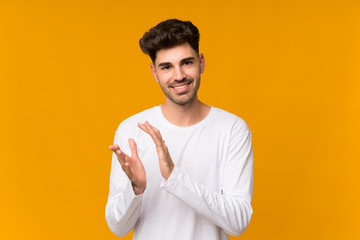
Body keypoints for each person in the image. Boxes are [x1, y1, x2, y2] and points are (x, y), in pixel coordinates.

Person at [105, 19, 253, 240]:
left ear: (201, 63)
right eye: (166, 67)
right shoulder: (131, 131)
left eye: (187, 62)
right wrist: (136, 190)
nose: (179, 75)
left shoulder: (232, 129)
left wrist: (175, 177)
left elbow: (238, 222)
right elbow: (118, 228)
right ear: (154, 72)